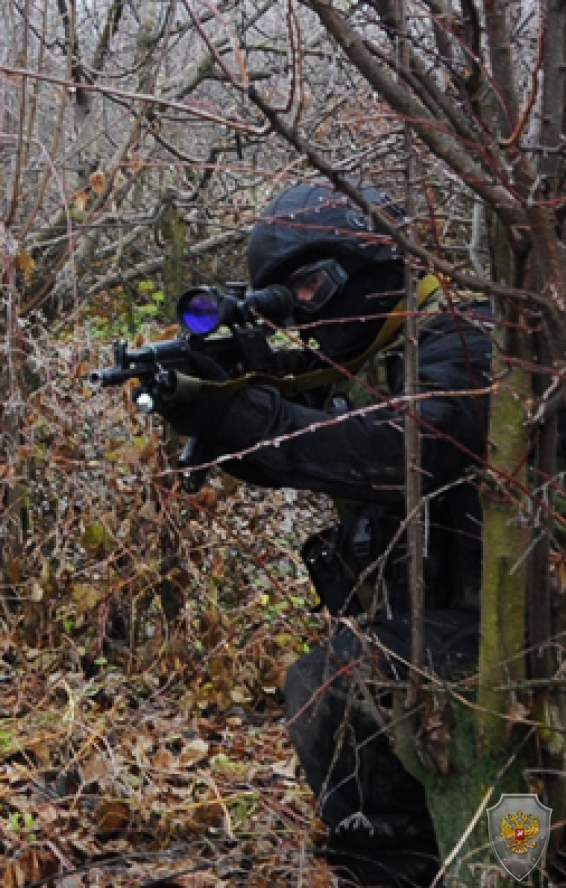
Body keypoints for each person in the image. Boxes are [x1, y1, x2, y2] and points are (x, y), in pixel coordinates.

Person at [149, 184, 491, 887]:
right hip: (469, 629)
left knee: (336, 680)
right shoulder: (368, 363)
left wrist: (255, 422)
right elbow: (313, 427)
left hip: (533, 635)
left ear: (371, 262)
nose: (305, 316)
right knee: (340, 681)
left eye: (311, 286)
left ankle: (422, 862)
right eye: (287, 297)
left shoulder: (469, 338)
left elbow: (401, 445)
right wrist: (213, 402)